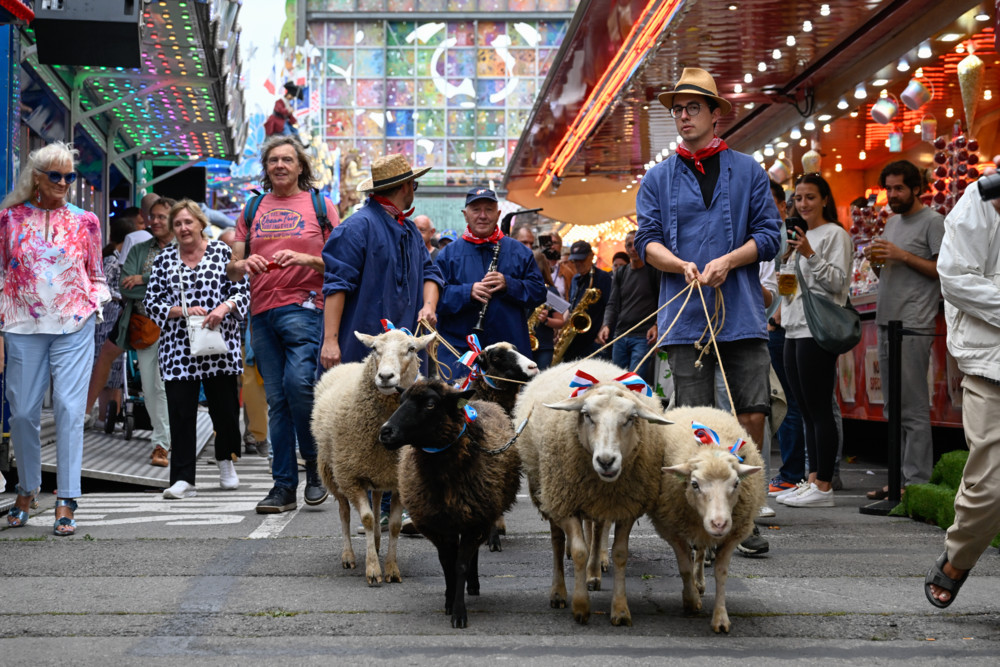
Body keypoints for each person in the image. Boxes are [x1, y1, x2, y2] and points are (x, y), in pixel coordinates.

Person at [634, 67, 780, 457]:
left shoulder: (748, 170)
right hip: (684, 317)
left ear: (715, 114)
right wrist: (679, 264)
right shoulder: (656, 178)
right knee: (693, 417)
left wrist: (730, 261)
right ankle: (700, 504)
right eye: (678, 109)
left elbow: (770, 236)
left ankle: (749, 493)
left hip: (743, 312)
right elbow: (646, 242)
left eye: (693, 107)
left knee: (752, 411)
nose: (684, 116)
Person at [321, 153, 443, 532]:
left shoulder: (408, 232)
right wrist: (330, 340)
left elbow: (430, 271)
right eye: (414, 185)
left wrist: (427, 305)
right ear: (404, 187)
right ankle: (362, 502)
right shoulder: (356, 228)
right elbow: (336, 285)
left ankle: (395, 506)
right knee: (363, 427)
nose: (414, 191)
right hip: (363, 346)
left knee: (404, 422)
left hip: (403, 351)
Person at [1, 141, 110, 536]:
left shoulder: (86, 221)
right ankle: (27, 488)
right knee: (25, 412)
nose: (64, 182)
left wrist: (93, 307)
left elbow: (96, 274)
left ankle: (67, 497)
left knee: (67, 407)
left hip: (74, 323)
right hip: (21, 325)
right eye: (56, 176)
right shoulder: (8, 219)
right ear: (37, 178)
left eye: (69, 176)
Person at [228, 135, 339, 513]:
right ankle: (283, 487)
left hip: (306, 307)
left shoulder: (321, 206)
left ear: (300, 166)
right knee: (277, 401)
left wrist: (306, 261)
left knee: (298, 385)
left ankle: (315, 467)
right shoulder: (252, 207)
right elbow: (232, 268)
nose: (279, 165)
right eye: (273, 160)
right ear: (266, 167)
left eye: (287, 160)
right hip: (261, 313)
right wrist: (244, 265)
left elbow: (341, 263)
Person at [924, 160, 1000, 608]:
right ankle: (958, 556)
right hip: (992, 365)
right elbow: (953, 278)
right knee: (988, 485)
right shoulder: (980, 199)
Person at [145, 200, 249, 499]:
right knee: (180, 413)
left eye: (188, 222)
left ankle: (225, 461)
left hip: (219, 343)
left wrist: (223, 308)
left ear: (201, 224)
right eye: (177, 224)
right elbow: (152, 302)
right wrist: (180, 310)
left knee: (226, 411)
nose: (183, 228)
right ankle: (182, 478)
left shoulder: (220, 252)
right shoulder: (165, 259)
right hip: (178, 347)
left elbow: (242, 290)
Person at [862, 160, 944, 499]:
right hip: (887, 320)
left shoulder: (934, 222)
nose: (892, 195)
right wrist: (878, 263)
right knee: (891, 408)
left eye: (899, 188)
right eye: (889, 189)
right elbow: (890, 274)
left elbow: (942, 270)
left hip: (913, 324)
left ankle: (918, 483)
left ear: (915, 188)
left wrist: (901, 254)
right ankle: (897, 481)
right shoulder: (892, 222)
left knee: (912, 406)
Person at [775, 174, 852, 508]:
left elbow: (838, 283)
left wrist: (809, 253)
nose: (803, 204)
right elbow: (789, 290)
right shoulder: (796, 238)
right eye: (798, 198)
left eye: (810, 197)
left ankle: (824, 484)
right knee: (804, 408)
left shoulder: (835, 234)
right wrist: (786, 267)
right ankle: (811, 478)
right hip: (792, 328)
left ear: (824, 199)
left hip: (817, 330)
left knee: (819, 408)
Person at [435, 187, 546, 380]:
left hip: (509, 354)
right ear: (465, 215)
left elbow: (538, 293)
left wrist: (509, 284)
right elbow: (434, 298)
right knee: (460, 408)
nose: (483, 216)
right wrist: (467, 292)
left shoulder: (520, 252)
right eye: (476, 209)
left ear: (498, 214)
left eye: (489, 209)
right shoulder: (448, 254)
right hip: (459, 352)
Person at [114, 197, 176, 467]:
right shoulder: (140, 249)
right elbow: (124, 286)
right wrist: (159, 285)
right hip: (145, 327)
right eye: (153, 216)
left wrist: (145, 278)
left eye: (162, 216)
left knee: (166, 387)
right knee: (150, 389)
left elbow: (185, 282)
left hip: (179, 329)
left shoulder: (185, 247)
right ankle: (165, 438)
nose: (156, 221)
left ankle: (161, 443)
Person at [596, 230, 659, 384]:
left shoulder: (654, 271)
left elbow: (662, 302)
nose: (633, 248)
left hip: (643, 336)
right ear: (625, 248)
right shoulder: (621, 273)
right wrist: (606, 325)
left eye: (637, 244)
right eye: (629, 245)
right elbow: (612, 303)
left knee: (633, 383)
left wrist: (657, 325)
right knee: (616, 382)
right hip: (620, 334)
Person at [92, 214, 136, 427]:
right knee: (107, 366)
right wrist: (121, 296)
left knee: (117, 370)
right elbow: (103, 286)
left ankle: (112, 416)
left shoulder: (119, 257)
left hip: (117, 316)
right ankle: (102, 416)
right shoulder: (111, 259)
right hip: (107, 318)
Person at [558, 240, 612, 363]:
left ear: (591, 257)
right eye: (575, 260)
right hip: (575, 340)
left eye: (581, 260)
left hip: (593, 341)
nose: (578, 264)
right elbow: (572, 306)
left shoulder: (603, 278)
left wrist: (603, 328)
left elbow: (610, 306)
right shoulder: (575, 279)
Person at [530, 249, 566, 371]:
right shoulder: (522, 288)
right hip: (525, 344)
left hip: (544, 346)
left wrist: (546, 320)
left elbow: (561, 322)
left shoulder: (550, 291)